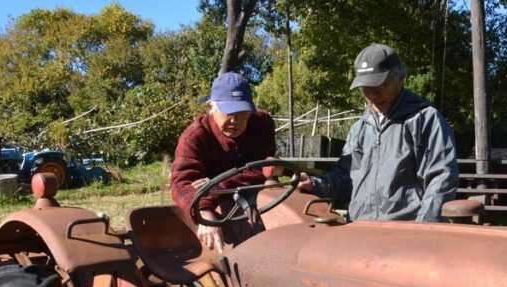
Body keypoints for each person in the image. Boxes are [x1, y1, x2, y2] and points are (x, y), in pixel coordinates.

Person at [300, 43, 458, 221]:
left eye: (379, 84)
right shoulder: (360, 128)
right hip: (361, 230)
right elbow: (345, 177)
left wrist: (422, 229)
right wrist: (316, 185)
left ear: (400, 78)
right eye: (365, 87)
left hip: (405, 232)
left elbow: (441, 179)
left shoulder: (425, 120)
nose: (372, 94)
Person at [170, 72, 277, 250]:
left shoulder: (262, 124)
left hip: (254, 195)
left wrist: (218, 185)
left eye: (242, 113)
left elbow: (262, 168)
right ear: (211, 106)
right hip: (213, 204)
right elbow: (181, 183)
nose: (235, 121)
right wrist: (203, 210)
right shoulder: (194, 137)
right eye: (228, 112)